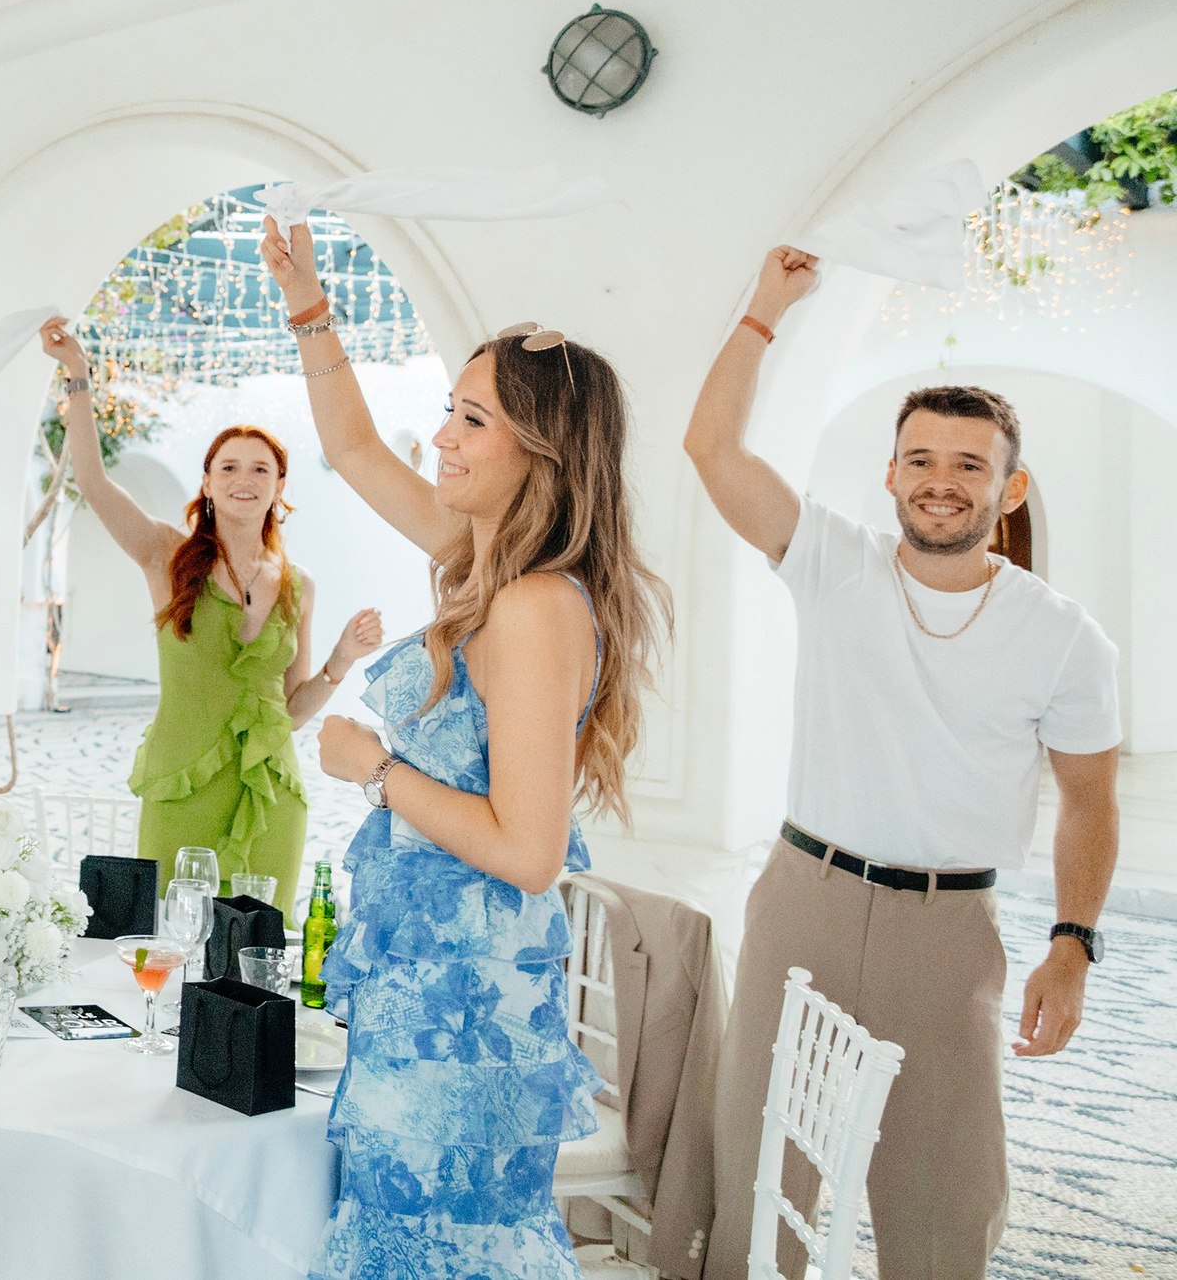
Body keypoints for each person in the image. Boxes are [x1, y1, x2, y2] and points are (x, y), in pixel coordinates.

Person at [686, 245, 1120, 1280]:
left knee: (943, 1199)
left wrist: (1073, 943)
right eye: (920, 458)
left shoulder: (1065, 637)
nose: (940, 480)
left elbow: (1089, 798)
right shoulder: (830, 558)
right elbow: (710, 448)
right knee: (758, 1174)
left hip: (946, 926)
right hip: (804, 896)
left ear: (1007, 487)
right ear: (889, 473)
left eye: (968, 463)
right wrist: (761, 309)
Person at [259, 215, 670, 1278]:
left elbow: (529, 850)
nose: (440, 435)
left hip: (465, 1019)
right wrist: (310, 306)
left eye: (470, 417)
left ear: (542, 447)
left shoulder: (535, 605)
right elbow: (352, 448)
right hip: (427, 984)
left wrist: (377, 773)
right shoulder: (485, 566)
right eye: (450, 408)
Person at [38, 316, 381, 893]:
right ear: (208, 481)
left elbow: (291, 712)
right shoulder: (164, 555)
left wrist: (341, 661)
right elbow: (93, 482)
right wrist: (78, 375)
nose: (244, 478)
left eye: (260, 469)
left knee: (255, 951)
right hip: (182, 786)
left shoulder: (299, 584)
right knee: (171, 940)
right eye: (229, 466)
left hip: (270, 797)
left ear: (278, 488)